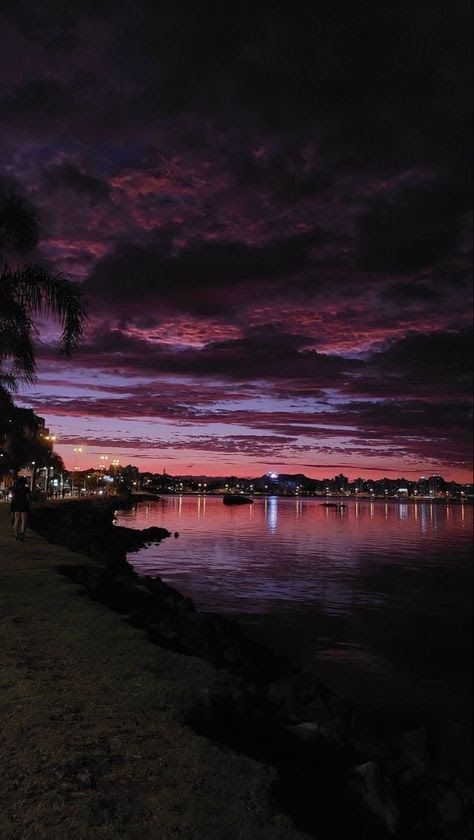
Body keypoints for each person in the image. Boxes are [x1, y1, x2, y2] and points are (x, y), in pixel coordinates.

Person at [10, 476, 31, 541]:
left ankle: (16, 535)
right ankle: (22, 534)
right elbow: (28, 498)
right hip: (24, 504)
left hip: (16, 504)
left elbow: (13, 497)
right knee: (24, 520)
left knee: (17, 520)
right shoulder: (26, 489)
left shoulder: (14, 489)